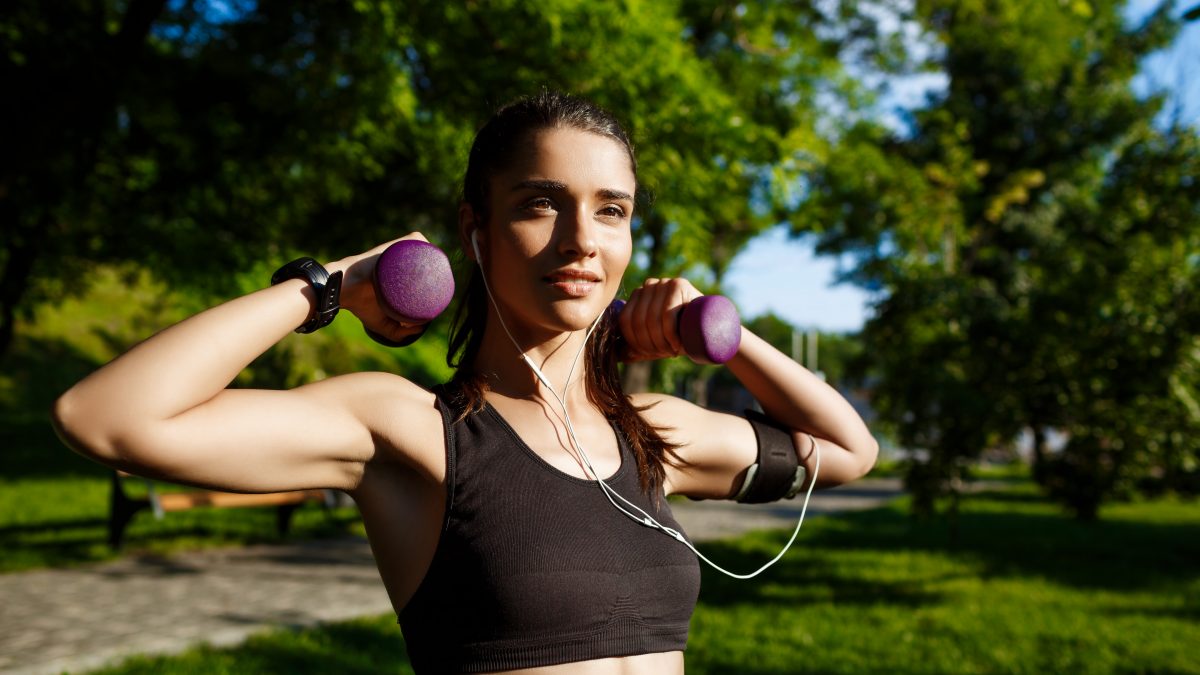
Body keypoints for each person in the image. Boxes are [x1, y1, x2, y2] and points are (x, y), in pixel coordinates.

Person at [52, 90, 878, 674]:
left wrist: (721, 334)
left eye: (612, 209)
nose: (581, 240)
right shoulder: (408, 429)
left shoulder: (653, 432)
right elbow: (103, 416)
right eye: (540, 204)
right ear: (473, 230)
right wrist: (332, 285)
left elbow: (849, 449)